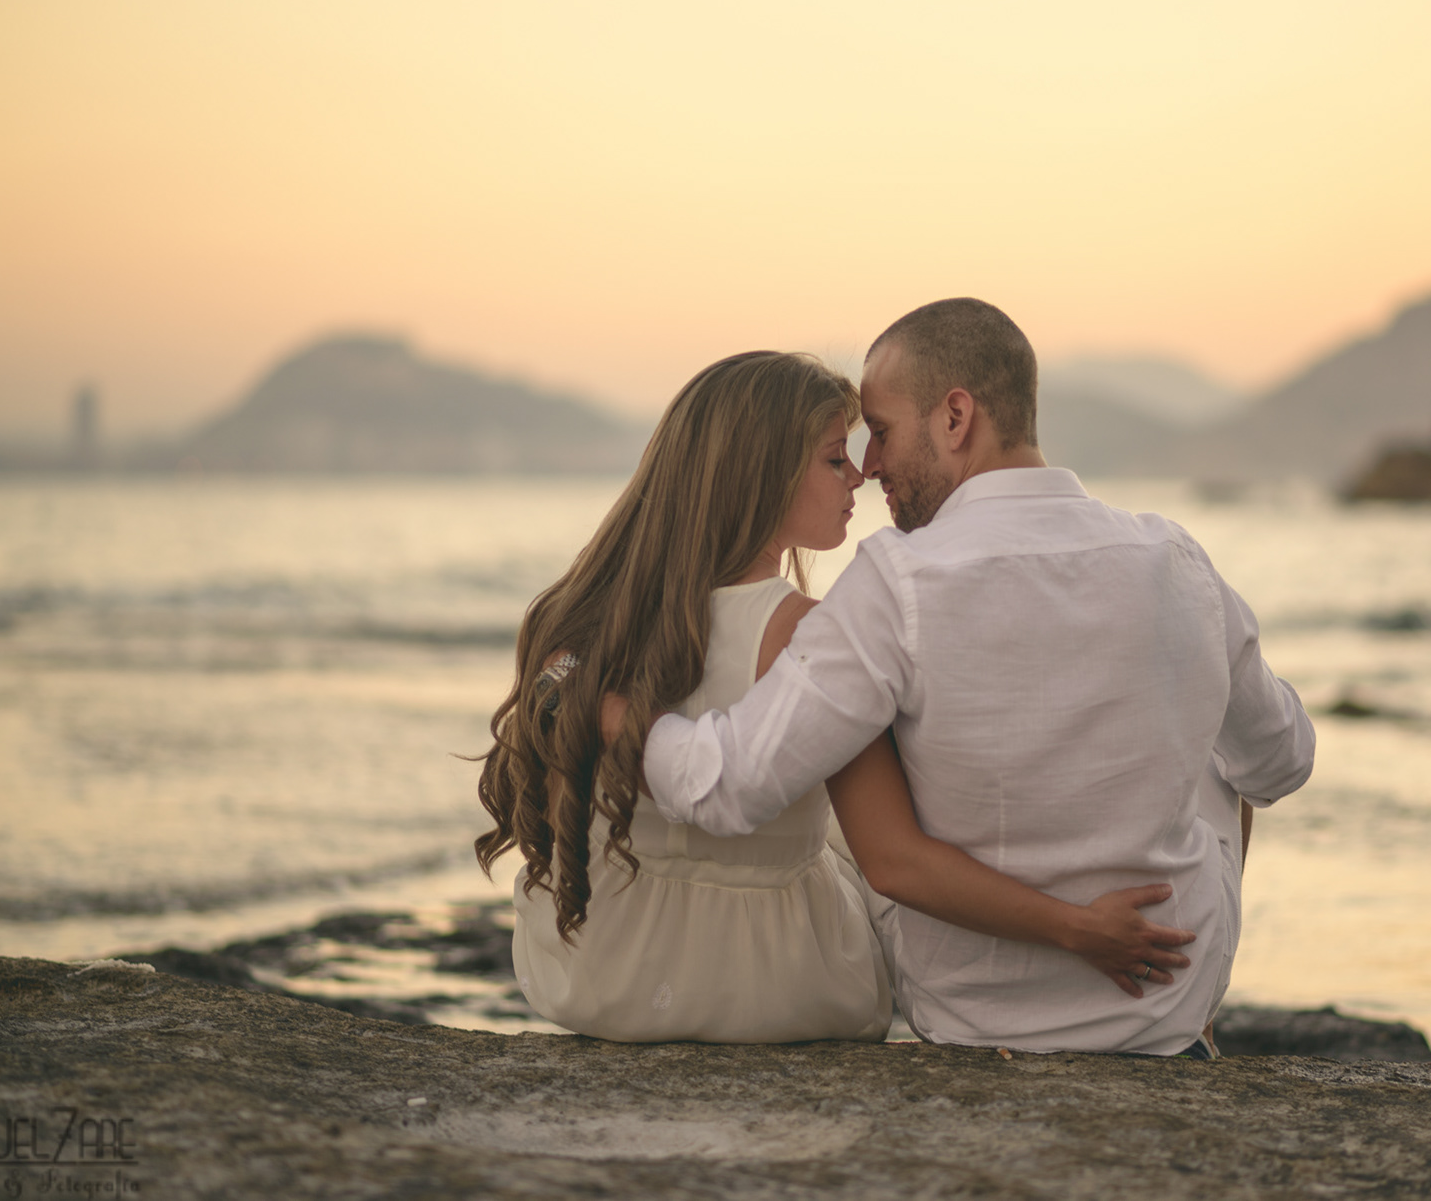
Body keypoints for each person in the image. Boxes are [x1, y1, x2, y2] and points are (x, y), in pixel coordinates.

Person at [628, 300, 1315, 1055]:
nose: (872, 467)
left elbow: (728, 785)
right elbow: (1283, 761)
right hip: (1163, 1005)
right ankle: (1193, 985)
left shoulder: (896, 583)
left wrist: (632, 725)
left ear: (956, 417)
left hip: (975, 1020)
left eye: (882, 433)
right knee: (1226, 755)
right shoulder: (1174, 557)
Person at [474, 350, 1195, 1044]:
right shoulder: (807, 634)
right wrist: (1074, 926)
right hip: (771, 983)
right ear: (757, 478)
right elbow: (897, 860)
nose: (859, 475)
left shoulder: (583, 624)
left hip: (598, 969)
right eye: (833, 458)